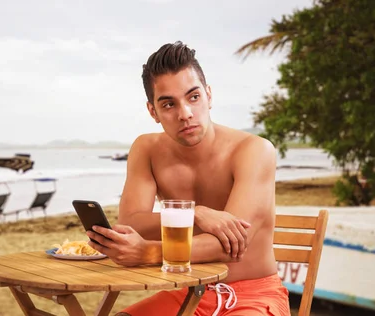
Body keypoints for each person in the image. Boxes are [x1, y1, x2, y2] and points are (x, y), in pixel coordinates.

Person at [85, 41, 289, 315]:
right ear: (153, 112)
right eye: (169, 104)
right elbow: (131, 222)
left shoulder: (254, 151)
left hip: (252, 294)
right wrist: (195, 214)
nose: (185, 114)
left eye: (193, 97)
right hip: (188, 293)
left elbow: (229, 247)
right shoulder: (146, 149)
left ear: (209, 95)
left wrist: (147, 252)